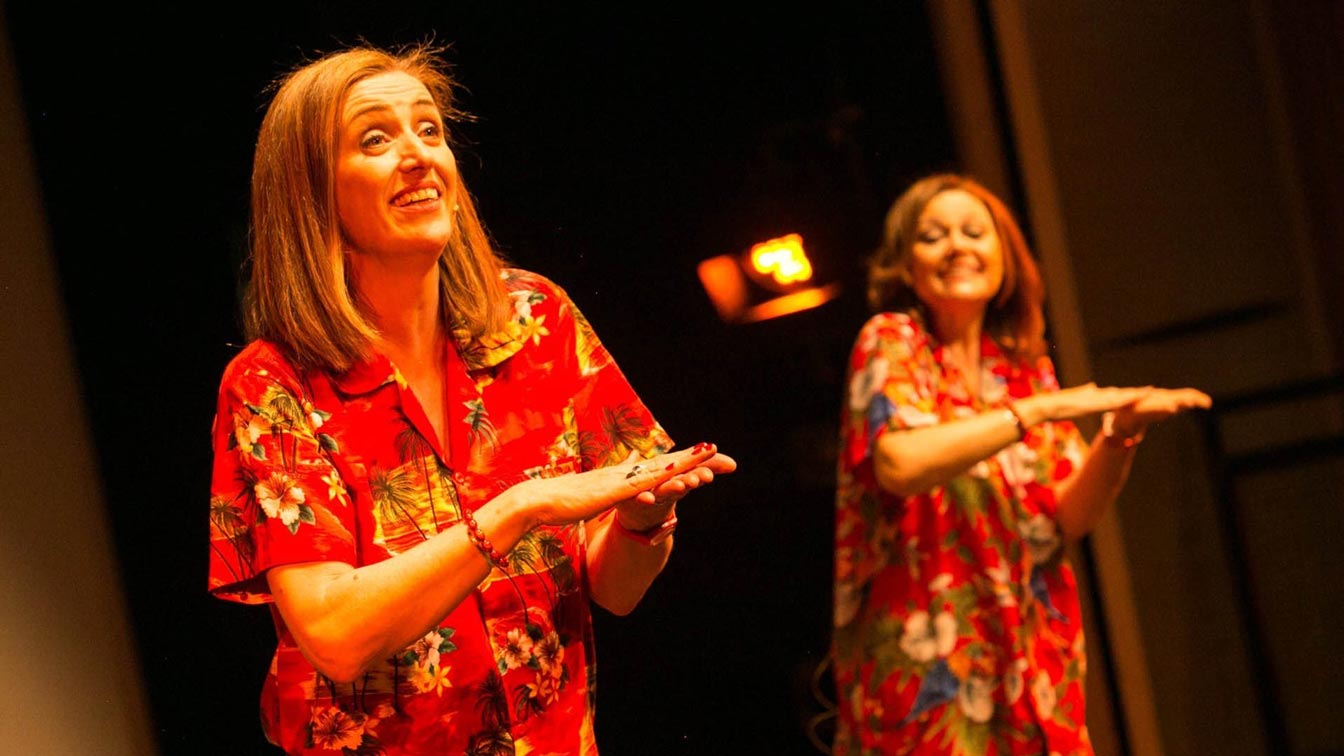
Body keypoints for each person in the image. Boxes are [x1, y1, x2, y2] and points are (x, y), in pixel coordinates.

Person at [206, 42, 735, 755]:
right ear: (311, 194)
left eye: (429, 129)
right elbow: (335, 636)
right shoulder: (273, 385)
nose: (419, 154)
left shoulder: (535, 316)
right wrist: (519, 509)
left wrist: (645, 520)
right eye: (375, 138)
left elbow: (615, 591)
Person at [831, 173, 1210, 755]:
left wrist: (1120, 436)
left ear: (1004, 258)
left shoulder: (1021, 368)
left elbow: (1069, 516)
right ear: (907, 266)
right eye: (934, 235)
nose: (958, 245)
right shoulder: (892, 341)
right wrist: (1039, 410)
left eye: (974, 232)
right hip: (927, 671)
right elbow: (900, 464)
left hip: (1030, 659)